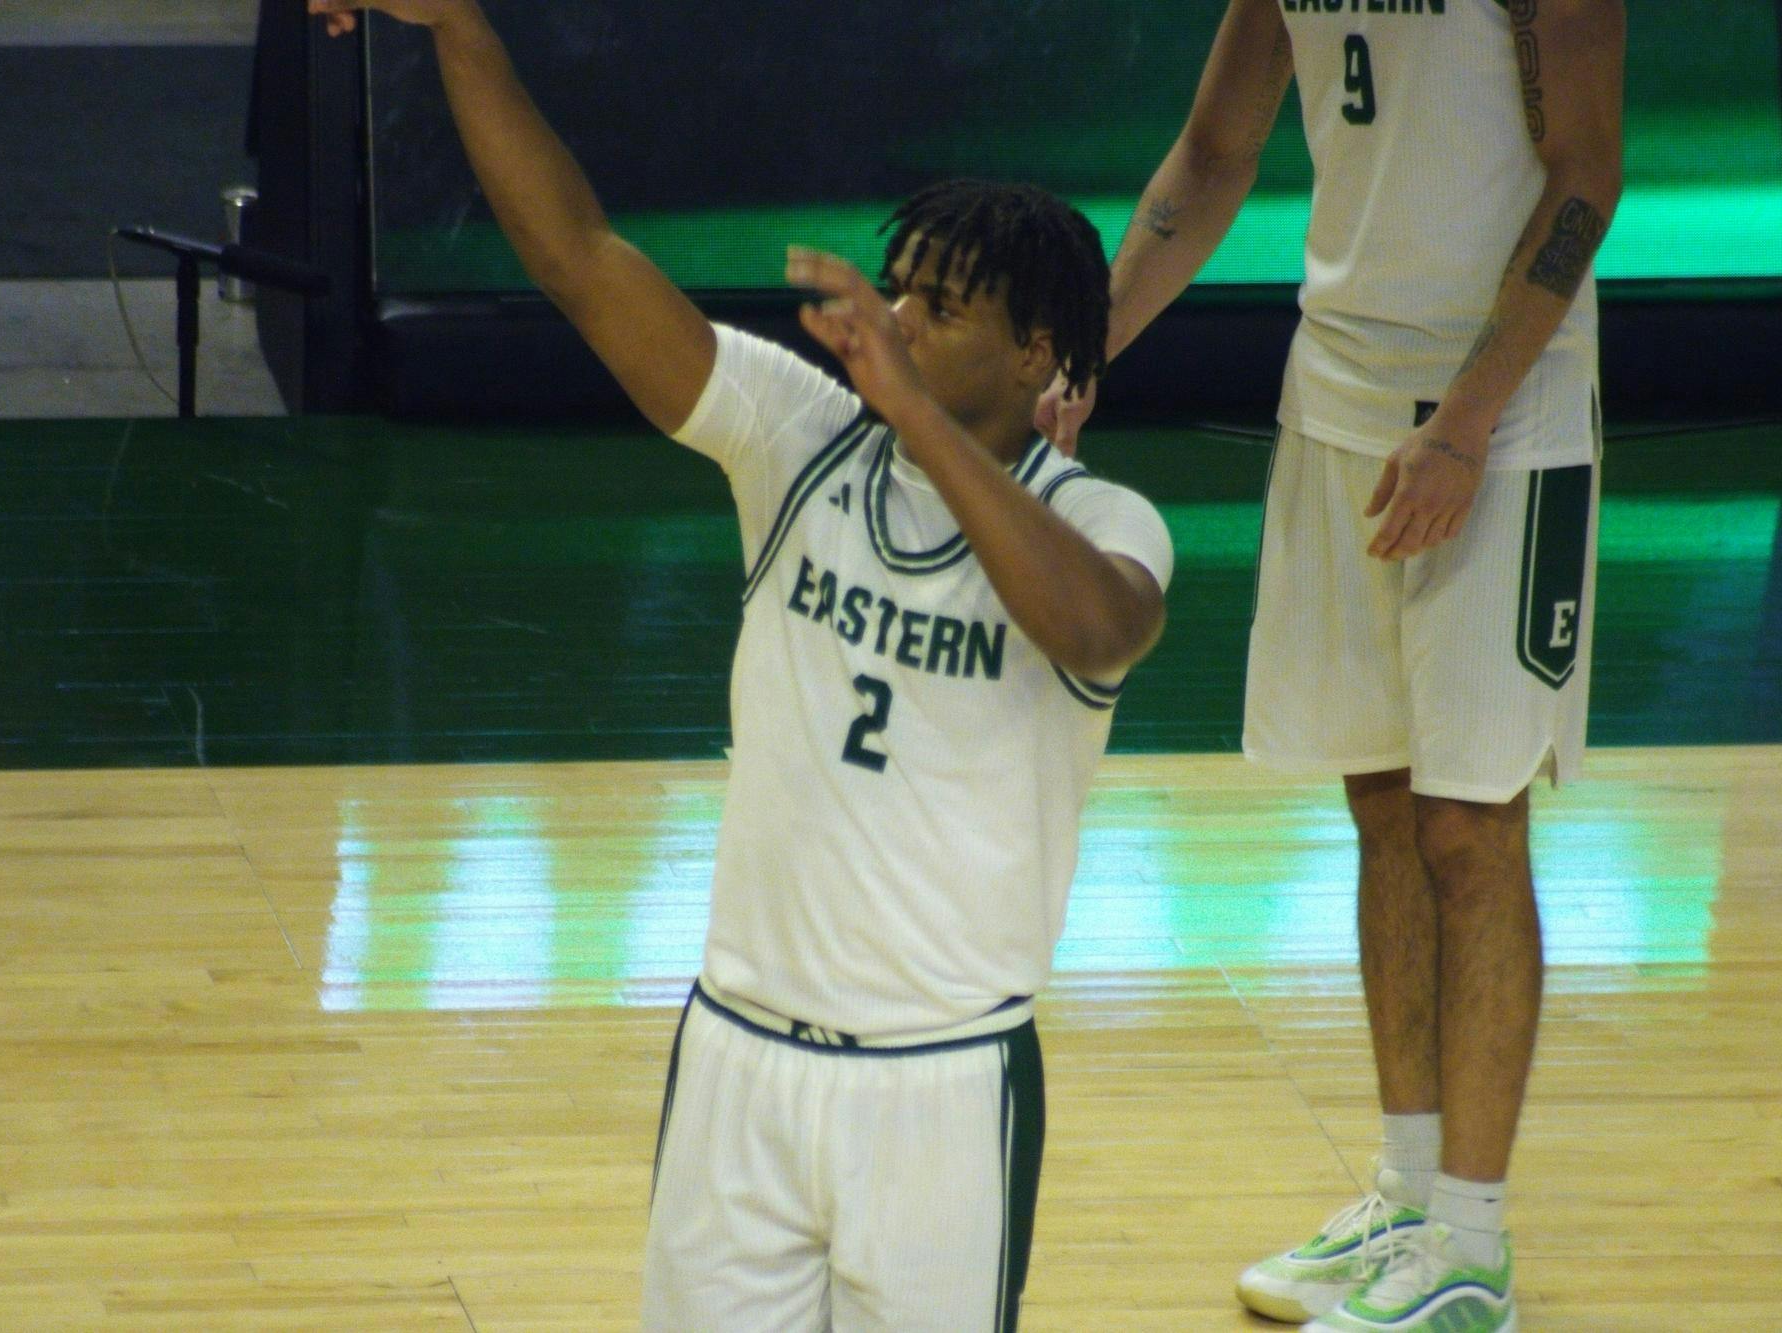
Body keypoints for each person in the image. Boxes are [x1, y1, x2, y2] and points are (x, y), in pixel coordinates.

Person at [312, 2, 1173, 1327]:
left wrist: (917, 415)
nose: (897, 322)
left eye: (940, 310)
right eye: (898, 294)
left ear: (1036, 352)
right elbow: (580, 257)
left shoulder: (1106, 523)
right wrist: (458, 28)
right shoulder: (801, 440)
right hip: (740, 1061)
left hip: (942, 1084)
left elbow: (1096, 629)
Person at [1038, 0, 1624, 1329]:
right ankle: (1407, 1194)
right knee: (1380, 802)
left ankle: (1471, 1244)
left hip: (1502, 411)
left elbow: (1588, 169)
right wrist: (1088, 350)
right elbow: (1212, 154)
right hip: (1340, 391)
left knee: (1469, 822)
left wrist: (1469, 424)